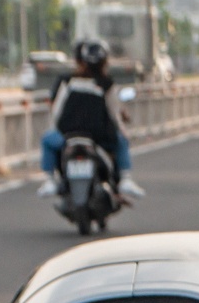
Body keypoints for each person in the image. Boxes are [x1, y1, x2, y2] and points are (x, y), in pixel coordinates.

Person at [35, 40, 145, 201]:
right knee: (122, 141)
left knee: (47, 139)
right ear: (105, 62)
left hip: (67, 136)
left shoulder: (68, 81)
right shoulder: (107, 84)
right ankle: (125, 179)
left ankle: (49, 180)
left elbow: (56, 110)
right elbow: (114, 114)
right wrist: (122, 130)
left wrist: (56, 129)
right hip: (99, 138)